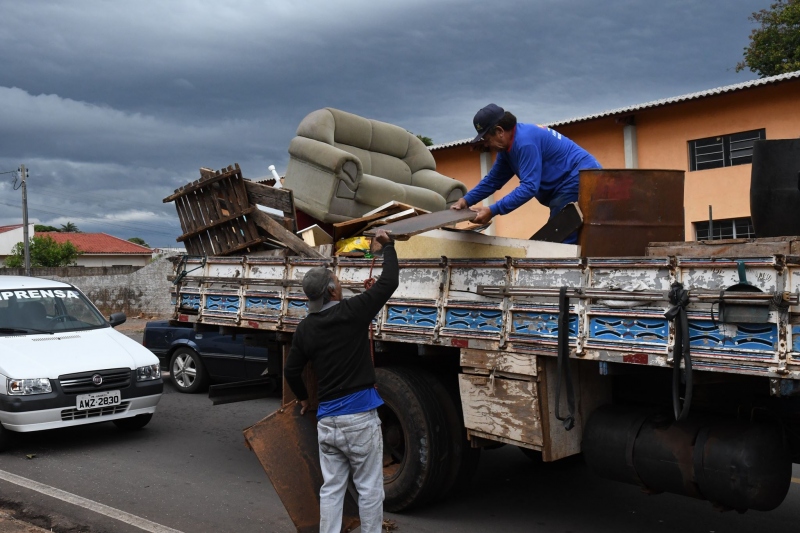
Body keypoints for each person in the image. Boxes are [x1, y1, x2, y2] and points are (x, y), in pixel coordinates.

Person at [284, 228, 398, 533]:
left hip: (328, 423)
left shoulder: (306, 329)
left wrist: (304, 399)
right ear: (333, 290)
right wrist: (388, 246)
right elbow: (390, 282)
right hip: (359, 420)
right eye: (338, 281)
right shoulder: (354, 311)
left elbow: (291, 371)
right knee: (370, 488)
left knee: (332, 488)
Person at [451, 103, 601, 243]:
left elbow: (529, 187)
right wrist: (466, 200)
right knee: (561, 237)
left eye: (487, 139)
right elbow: (493, 180)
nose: (486, 144)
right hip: (570, 182)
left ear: (499, 131)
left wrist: (492, 210)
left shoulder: (525, 143)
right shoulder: (508, 149)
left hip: (579, 178)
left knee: (560, 237)